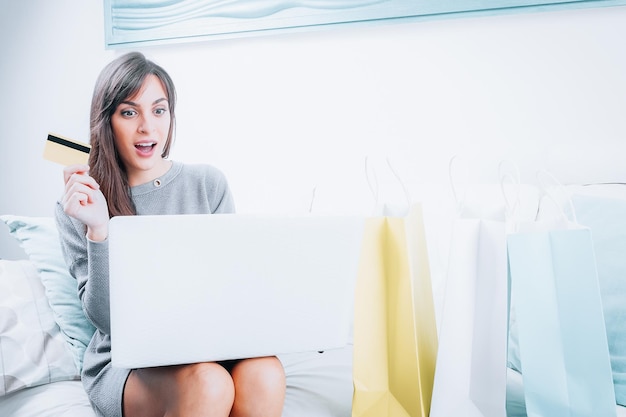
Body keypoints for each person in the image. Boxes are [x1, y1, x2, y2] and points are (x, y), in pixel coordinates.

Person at [55, 51, 286, 417]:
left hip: (209, 345)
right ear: (107, 121)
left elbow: (233, 285)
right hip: (126, 365)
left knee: (266, 372)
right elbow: (106, 321)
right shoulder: (82, 202)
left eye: (159, 110)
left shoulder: (208, 183)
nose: (147, 127)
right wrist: (99, 228)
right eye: (129, 112)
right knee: (209, 383)